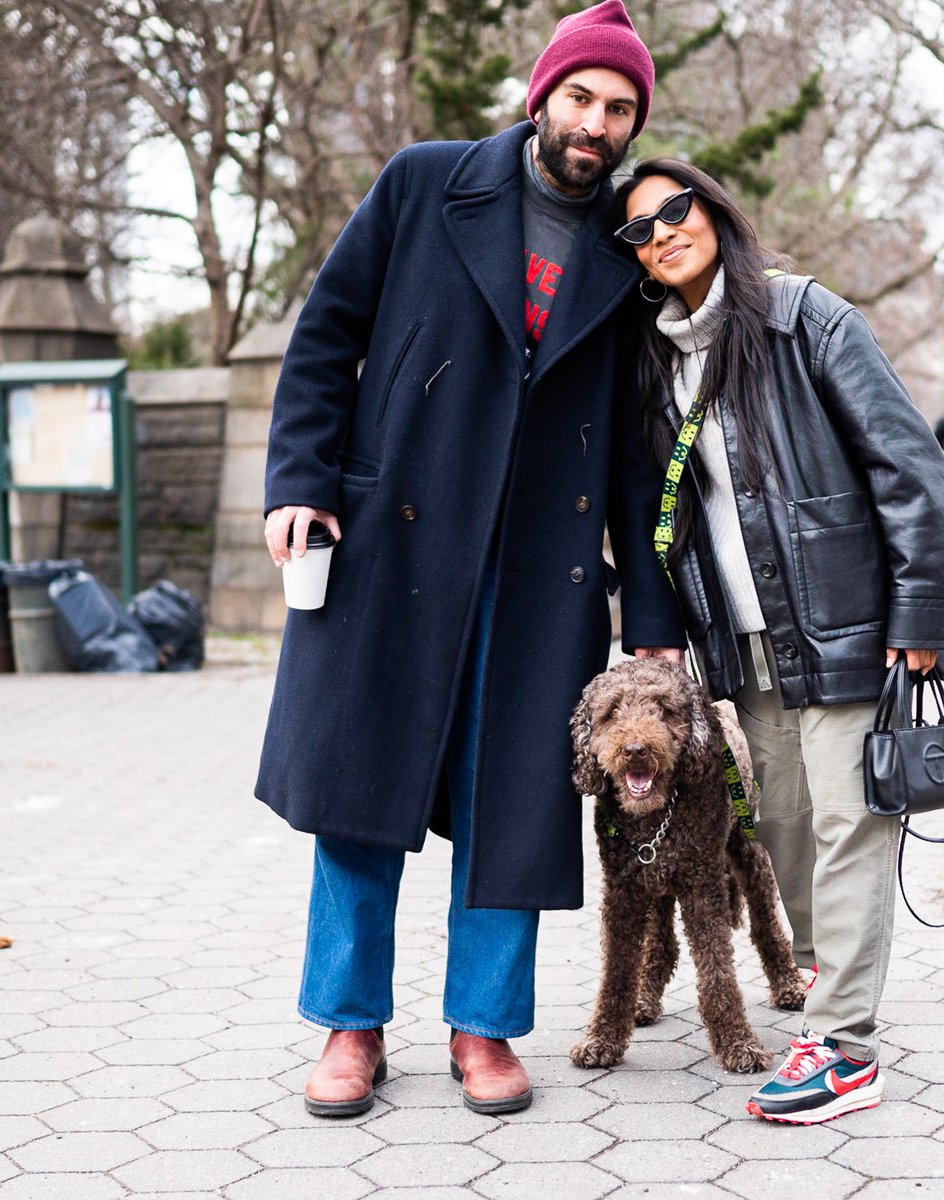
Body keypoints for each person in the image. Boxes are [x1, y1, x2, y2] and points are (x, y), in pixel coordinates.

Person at [256, 0, 685, 1119]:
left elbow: (642, 448)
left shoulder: (624, 254)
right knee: (363, 785)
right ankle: (350, 1028)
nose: (596, 122)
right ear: (543, 96)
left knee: (518, 801)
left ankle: (483, 1029)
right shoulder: (424, 181)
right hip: (393, 536)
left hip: (544, 568)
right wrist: (300, 482)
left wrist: (650, 611)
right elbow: (326, 334)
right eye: (582, 98)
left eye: (620, 109)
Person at [612, 159, 944, 1124]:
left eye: (675, 210)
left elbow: (910, 468)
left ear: (713, 209)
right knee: (781, 829)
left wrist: (923, 617)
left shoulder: (807, 320)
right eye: (639, 231)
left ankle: (846, 1049)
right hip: (746, 644)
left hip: (848, 628)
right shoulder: (657, 360)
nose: (663, 234)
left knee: (851, 823)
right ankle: (828, 987)